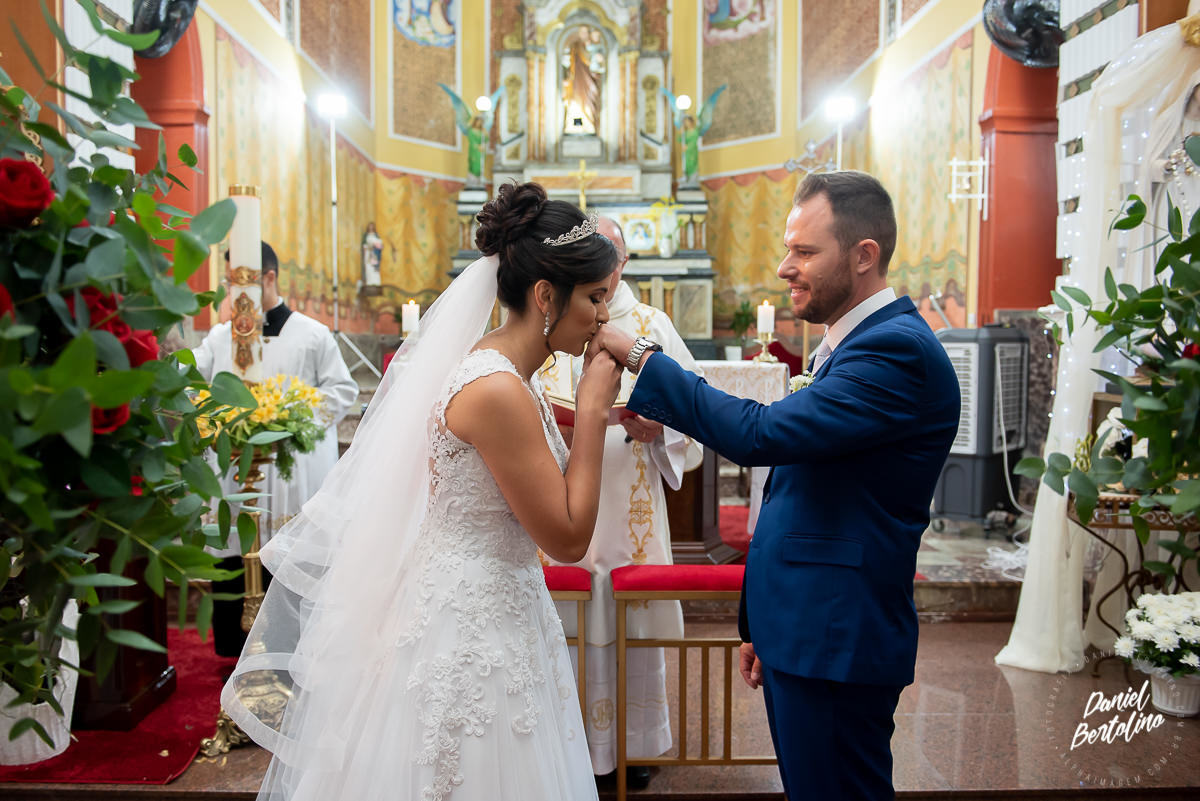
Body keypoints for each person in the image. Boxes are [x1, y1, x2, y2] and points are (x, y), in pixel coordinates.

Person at [222, 182, 624, 801]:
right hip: (470, 629)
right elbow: (568, 538)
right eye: (596, 298)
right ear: (547, 295)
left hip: (499, 606)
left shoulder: (509, 373)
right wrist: (594, 410)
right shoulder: (495, 389)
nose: (603, 317)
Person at [587, 170, 960, 800]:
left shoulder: (894, 352)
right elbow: (804, 493)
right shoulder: (852, 346)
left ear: (864, 256)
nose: (785, 267)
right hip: (807, 627)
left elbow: (763, 436)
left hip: (837, 637)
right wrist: (763, 622)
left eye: (805, 251)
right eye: (788, 248)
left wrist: (643, 359)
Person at [540, 218, 703, 789]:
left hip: (628, 509)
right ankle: (563, 746)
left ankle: (635, 746)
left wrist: (663, 428)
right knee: (565, 621)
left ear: (622, 263)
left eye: (606, 253)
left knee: (629, 619)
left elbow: (694, 412)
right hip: (560, 504)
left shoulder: (652, 327)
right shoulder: (554, 322)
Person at [192, 241, 358, 657]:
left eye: (238, 282)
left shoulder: (312, 334)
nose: (232, 292)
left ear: (268, 278)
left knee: (291, 561)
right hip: (235, 466)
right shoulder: (219, 337)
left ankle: (291, 652)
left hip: (292, 468)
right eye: (229, 283)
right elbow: (191, 380)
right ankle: (234, 654)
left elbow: (342, 391)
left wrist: (286, 416)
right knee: (234, 554)